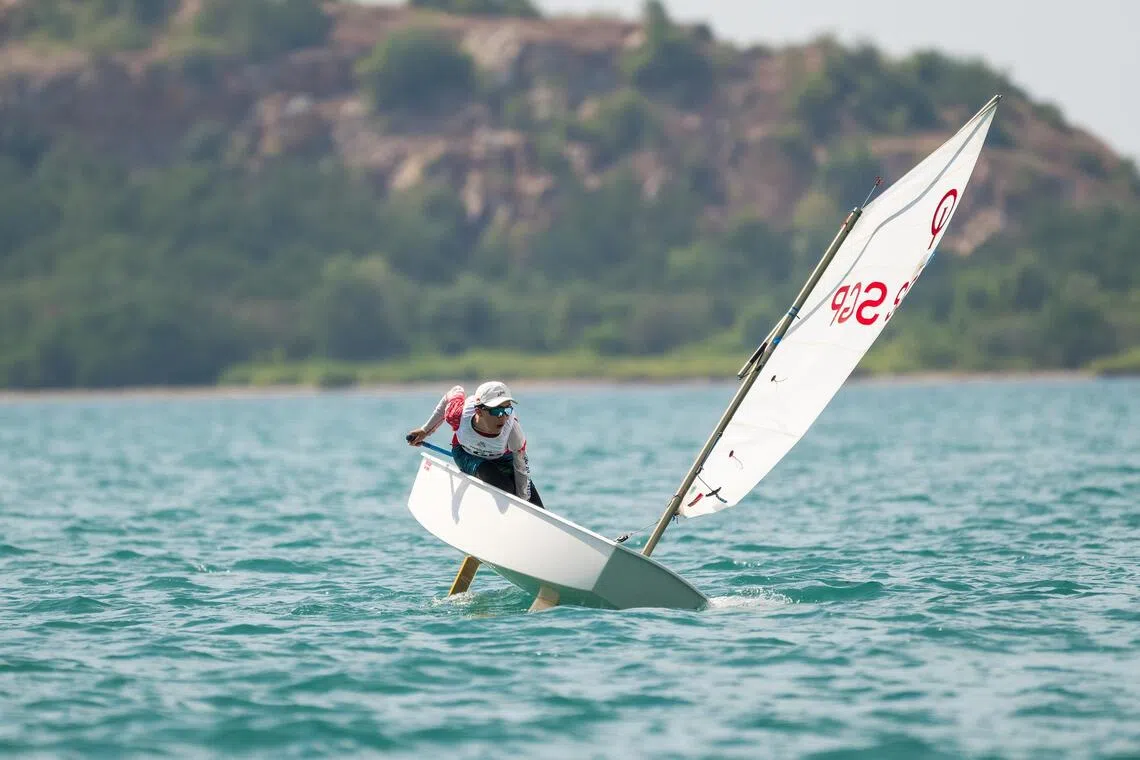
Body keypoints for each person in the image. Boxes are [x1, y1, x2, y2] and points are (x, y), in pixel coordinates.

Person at [406, 381, 544, 508]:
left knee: (534, 504)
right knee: (505, 487)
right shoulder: (458, 414)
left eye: (507, 410)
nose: (502, 416)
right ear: (479, 411)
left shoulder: (513, 431)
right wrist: (425, 430)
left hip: (504, 460)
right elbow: (455, 391)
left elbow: (521, 468)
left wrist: (524, 503)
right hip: (467, 454)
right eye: (496, 411)